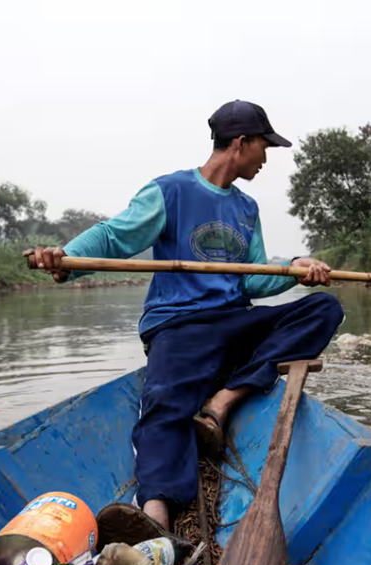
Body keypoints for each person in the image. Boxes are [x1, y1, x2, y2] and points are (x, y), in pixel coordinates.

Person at [25, 100, 344, 532]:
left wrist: (296, 270)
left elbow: (252, 280)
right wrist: (68, 258)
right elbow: (114, 236)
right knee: (163, 406)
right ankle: (154, 512)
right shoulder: (170, 191)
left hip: (234, 318)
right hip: (179, 324)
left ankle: (223, 400)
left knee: (324, 309)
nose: (266, 158)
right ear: (240, 142)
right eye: (264, 146)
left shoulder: (246, 208)